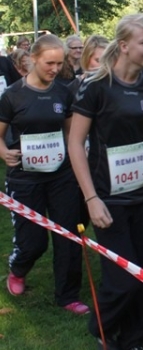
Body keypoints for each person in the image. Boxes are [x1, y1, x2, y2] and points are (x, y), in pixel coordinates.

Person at [68, 14, 143, 350]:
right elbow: (75, 143)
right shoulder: (96, 85)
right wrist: (91, 198)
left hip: (142, 194)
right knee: (121, 278)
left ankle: (135, 337)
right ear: (123, 45)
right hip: (107, 198)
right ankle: (102, 328)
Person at [0, 35, 88, 314]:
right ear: (33, 59)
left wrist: (78, 157)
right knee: (33, 242)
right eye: (49, 63)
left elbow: (71, 133)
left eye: (59, 63)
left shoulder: (63, 92)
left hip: (61, 175)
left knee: (68, 236)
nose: (55, 69)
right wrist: (3, 152)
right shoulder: (12, 95)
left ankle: (68, 295)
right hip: (25, 178)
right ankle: (18, 268)